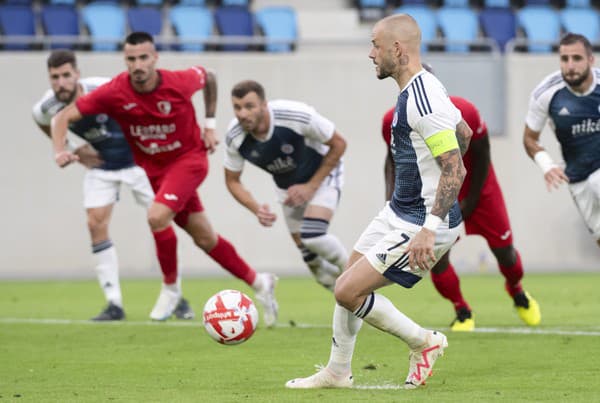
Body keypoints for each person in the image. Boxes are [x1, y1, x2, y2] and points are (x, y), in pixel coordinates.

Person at [286, 14, 472, 390]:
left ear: (397, 49)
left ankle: (424, 342)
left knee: (347, 291)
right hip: (399, 212)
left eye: (375, 45)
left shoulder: (423, 100)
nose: (371, 53)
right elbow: (462, 132)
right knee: (347, 283)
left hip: (420, 223)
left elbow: (456, 171)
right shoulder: (423, 87)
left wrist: (429, 229)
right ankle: (338, 371)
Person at [50, 32, 278, 326]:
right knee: (205, 238)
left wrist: (209, 125)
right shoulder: (115, 91)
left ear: (155, 58)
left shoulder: (178, 81)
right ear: (125, 61)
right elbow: (62, 117)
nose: (138, 65)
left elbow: (208, 77)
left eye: (144, 57)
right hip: (156, 171)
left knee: (157, 217)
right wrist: (59, 150)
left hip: (189, 161)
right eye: (131, 59)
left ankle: (170, 289)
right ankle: (260, 283)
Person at [382, 68, 541, 331]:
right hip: (433, 191)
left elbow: (483, 153)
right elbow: (393, 161)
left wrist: (472, 199)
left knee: (505, 252)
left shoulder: (465, 111)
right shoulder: (393, 119)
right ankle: (462, 310)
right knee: (436, 257)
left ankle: (517, 290)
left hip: (479, 185)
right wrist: (392, 202)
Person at [32, 49, 175, 321]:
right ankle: (114, 303)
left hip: (138, 162)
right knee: (95, 223)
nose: (61, 82)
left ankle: (173, 293)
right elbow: (45, 123)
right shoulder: (46, 107)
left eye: (66, 75)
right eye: (55, 77)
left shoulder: (103, 88)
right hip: (102, 165)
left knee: (162, 221)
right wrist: (71, 148)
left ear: (77, 74)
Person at [224, 80, 347, 291]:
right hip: (287, 188)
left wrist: (310, 186)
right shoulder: (235, 136)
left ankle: (353, 274)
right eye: (237, 107)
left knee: (313, 236)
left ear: (264, 105)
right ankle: (352, 303)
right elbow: (232, 180)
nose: (243, 114)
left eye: (249, 106)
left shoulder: (295, 115)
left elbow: (339, 144)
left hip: (323, 174)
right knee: (315, 267)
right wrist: (256, 208)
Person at [523, 32, 600, 248]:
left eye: (577, 58)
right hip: (576, 177)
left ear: (591, 60)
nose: (570, 65)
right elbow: (529, 139)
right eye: (564, 59)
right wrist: (546, 165)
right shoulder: (546, 93)